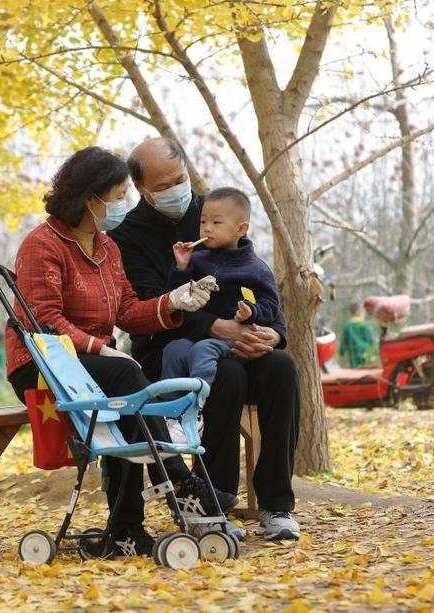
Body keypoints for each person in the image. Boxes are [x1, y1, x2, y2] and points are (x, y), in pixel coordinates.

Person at [5, 145, 238, 557]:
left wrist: (173, 302)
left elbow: (128, 310)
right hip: (42, 363)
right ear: (91, 198)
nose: (122, 205)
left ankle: (126, 529)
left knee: (123, 398)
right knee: (128, 379)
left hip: (93, 364)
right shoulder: (42, 245)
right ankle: (180, 484)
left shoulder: (107, 247)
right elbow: (42, 319)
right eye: (117, 197)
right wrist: (102, 348)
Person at [108, 137, 301, 540]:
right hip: (169, 347)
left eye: (179, 179)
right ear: (142, 189)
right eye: (162, 187)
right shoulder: (126, 237)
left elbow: (252, 278)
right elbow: (143, 309)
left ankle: (277, 504)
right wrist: (216, 328)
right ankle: (215, 498)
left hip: (241, 336)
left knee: (282, 368)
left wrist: (271, 334)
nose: (176, 191)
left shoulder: (212, 208)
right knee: (225, 375)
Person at [161, 187, 280, 399]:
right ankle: (170, 412)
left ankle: (196, 405)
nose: (207, 229)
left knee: (203, 350)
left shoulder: (256, 269)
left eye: (216, 223)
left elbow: (271, 305)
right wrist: (181, 268)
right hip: (200, 334)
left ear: (241, 229)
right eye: (203, 222)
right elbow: (178, 297)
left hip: (234, 341)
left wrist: (251, 312)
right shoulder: (197, 260)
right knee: (174, 349)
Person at [339, 302, 376, 368]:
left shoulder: (348, 327)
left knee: (356, 373)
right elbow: (372, 341)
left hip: (353, 356)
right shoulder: (366, 325)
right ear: (360, 312)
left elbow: (343, 345)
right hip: (367, 354)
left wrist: (341, 352)